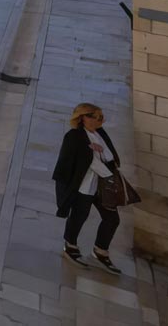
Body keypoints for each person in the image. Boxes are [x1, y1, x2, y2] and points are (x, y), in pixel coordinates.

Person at [52, 103, 125, 274]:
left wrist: (99, 151)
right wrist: (92, 154)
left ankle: (100, 251)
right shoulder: (74, 136)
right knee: (79, 216)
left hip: (101, 187)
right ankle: (70, 246)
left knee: (112, 219)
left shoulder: (100, 134)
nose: (97, 121)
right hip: (83, 186)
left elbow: (111, 157)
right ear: (82, 118)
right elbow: (79, 161)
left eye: (99, 117)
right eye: (92, 117)